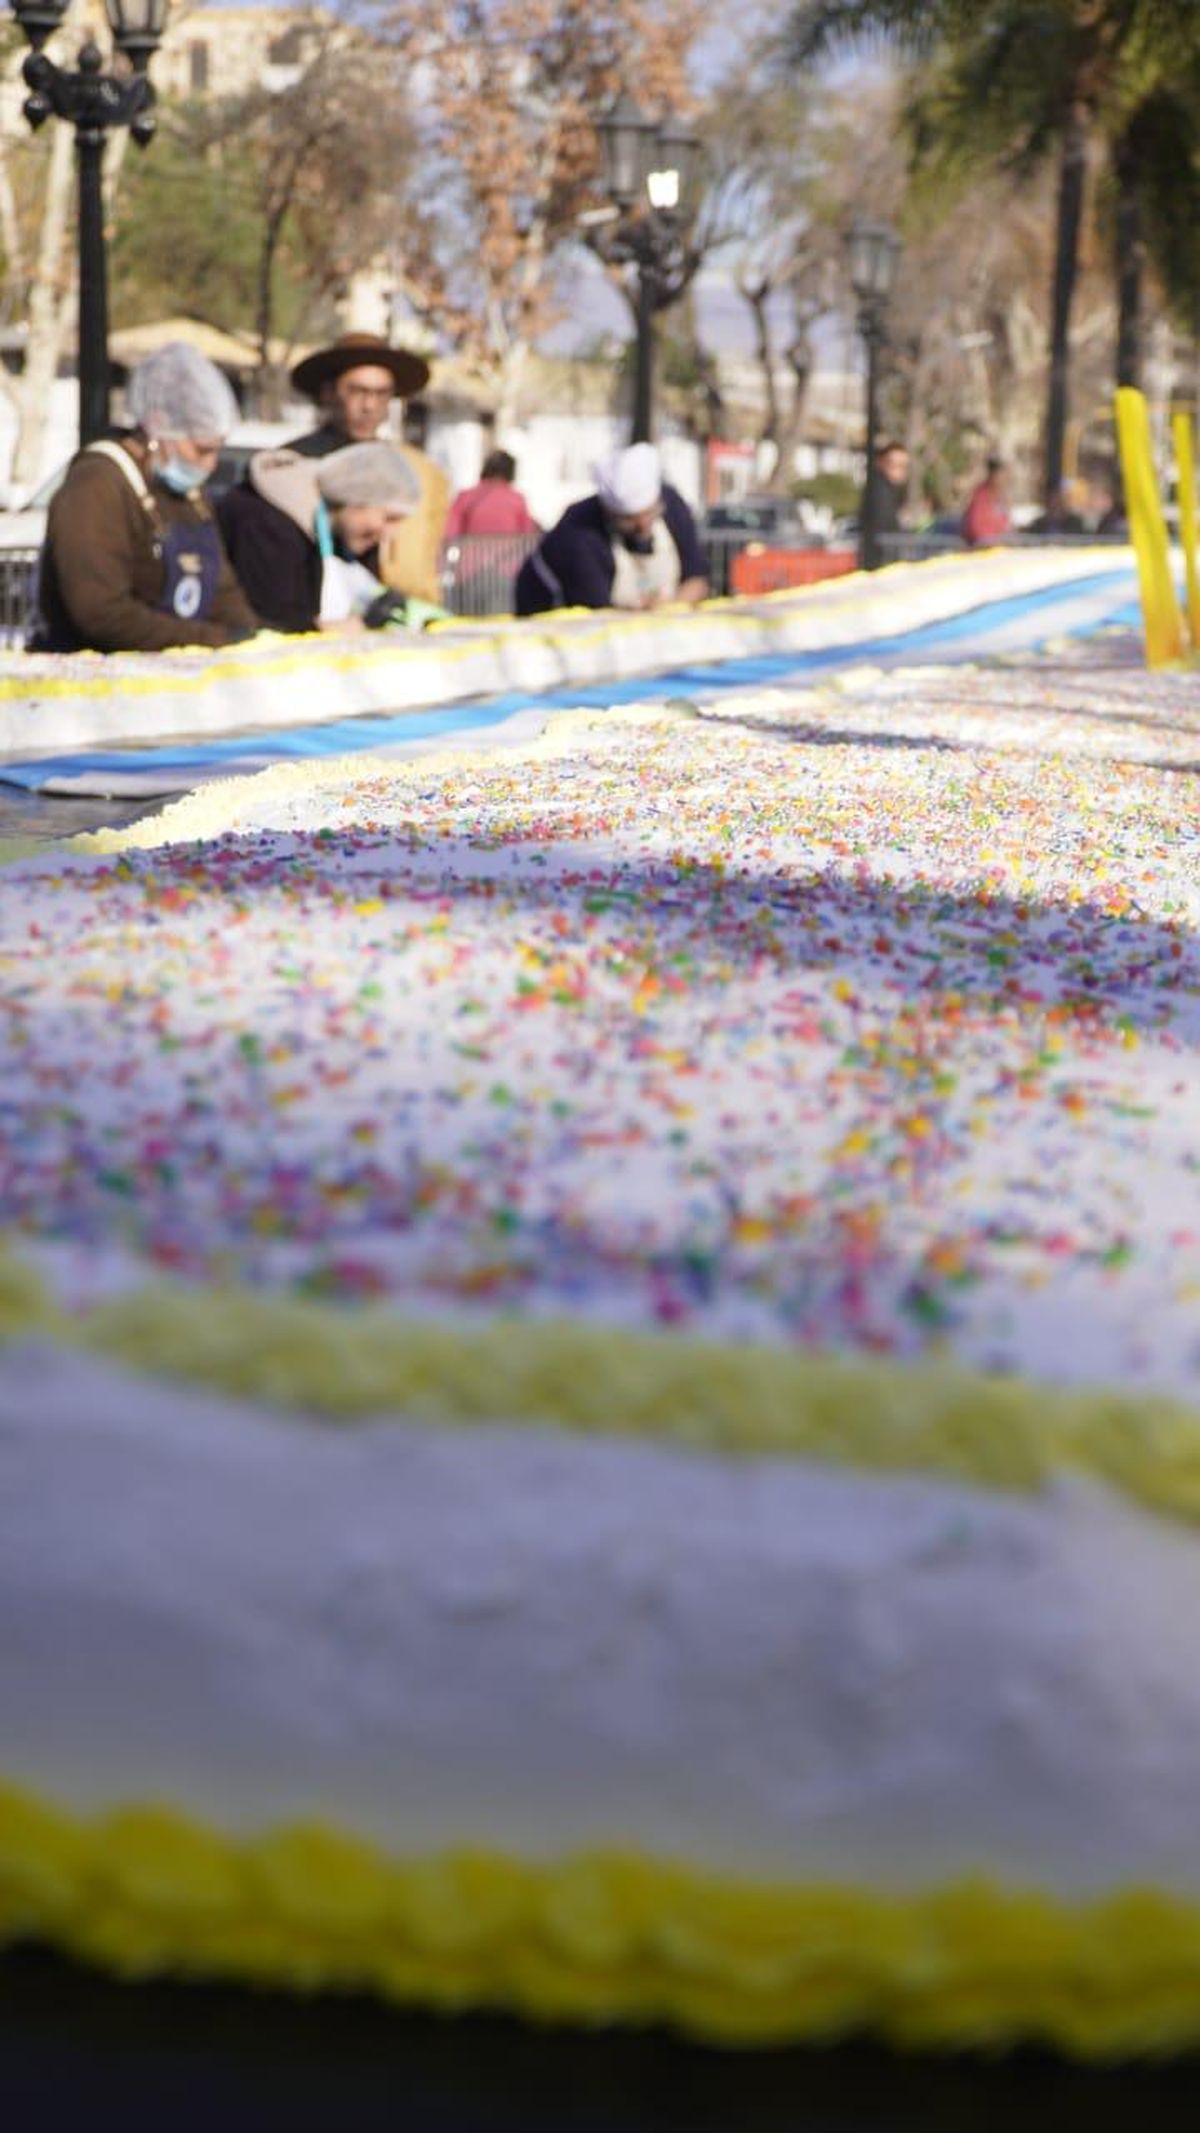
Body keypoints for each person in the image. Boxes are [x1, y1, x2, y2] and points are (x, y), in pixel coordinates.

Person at [33, 342, 258, 654]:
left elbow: (223, 591)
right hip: (95, 681)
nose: (211, 464)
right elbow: (100, 611)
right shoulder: (97, 483)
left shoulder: (188, 494)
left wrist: (248, 637)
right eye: (202, 449)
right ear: (158, 425)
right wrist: (212, 639)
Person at [287, 330, 448, 604]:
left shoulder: (413, 470)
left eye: (382, 394)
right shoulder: (296, 464)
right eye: (358, 391)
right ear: (329, 392)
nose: (370, 405)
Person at [218, 442, 445, 636]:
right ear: (354, 497)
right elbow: (273, 622)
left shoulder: (330, 530)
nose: (389, 534)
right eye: (388, 518)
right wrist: (347, 628)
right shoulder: (267, 525)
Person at [514, 442, 707, 616]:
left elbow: (696, 578)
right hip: (549, 612)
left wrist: (671, 607)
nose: (643, 526)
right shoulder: (581, 531)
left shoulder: (672, 505)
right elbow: (596, 611)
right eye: (630, 520)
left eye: (649, 514)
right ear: (610, 513)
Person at [445, 449, 539, 539]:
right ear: (511, 472)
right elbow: (527, 535)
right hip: (509, 554)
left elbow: (451, 532)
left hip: (471, 554)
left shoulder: (465, 496)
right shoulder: (517, 499)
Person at [960, 455, 1012, 547]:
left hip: (1001, 549)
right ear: (992, 475)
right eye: (1001, 474)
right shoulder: (981, 497)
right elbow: (976, 528)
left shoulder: (1001, 498)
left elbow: (1006, 524)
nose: (1005, 478)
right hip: (983, 550)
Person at [866, 439, 910, 542]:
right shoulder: (879, 492)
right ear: (880, 463)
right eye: (894, 465)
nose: (900, 471)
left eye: (904, 466)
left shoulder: (891, 491)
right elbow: (885, 528)